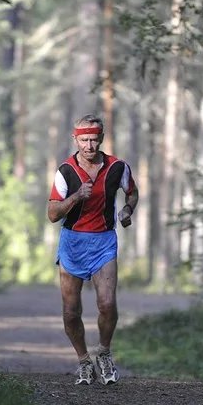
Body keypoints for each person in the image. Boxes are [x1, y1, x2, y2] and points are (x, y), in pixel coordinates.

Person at [47, 114, 139, 385]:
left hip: (103, 242)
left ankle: (105, 353)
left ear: (101, 139)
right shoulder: (65, 171)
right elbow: (52, 214)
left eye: (94, 140)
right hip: (73, 243)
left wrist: (126, 209)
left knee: (107, 304)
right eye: (84, 140)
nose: (89, 145)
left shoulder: (117, 167)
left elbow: (132, 192)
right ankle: (84, 361)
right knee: (71, 311)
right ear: (75, 139)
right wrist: (76, 196)